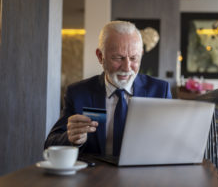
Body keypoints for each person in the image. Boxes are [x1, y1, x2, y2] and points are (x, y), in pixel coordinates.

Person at [45, 21, 172, 156]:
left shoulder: (160, 91)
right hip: (95, 175)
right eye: (118, 58)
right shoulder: (78, 93)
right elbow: (50, 144)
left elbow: (173, 141)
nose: (127, 67)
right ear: (100, 56)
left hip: (143, 174)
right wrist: (72, 140)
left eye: (134, 58)